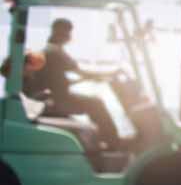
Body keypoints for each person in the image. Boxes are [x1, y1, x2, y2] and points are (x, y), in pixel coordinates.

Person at [29, 18, 121, 150]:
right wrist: (110, 74)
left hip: (54, 96)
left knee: (93, 101)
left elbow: (57, 80)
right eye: (68, 32)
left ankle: (104, 140)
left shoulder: (49, 50)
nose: (69, 36)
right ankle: (113, 143)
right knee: (96, 103)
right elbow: (81, 72)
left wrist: (90, 78)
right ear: (61, 32)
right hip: (58, 99)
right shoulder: (54, 52)